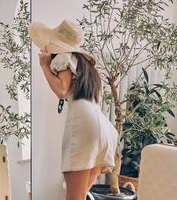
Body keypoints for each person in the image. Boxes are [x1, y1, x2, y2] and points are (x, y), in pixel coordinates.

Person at [29, 20, 118, 200]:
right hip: (104, 127)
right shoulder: (88, 68)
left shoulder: (63, 57)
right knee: (81, 195)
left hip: (83, 124)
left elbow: (62, 90)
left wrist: (44, 65)